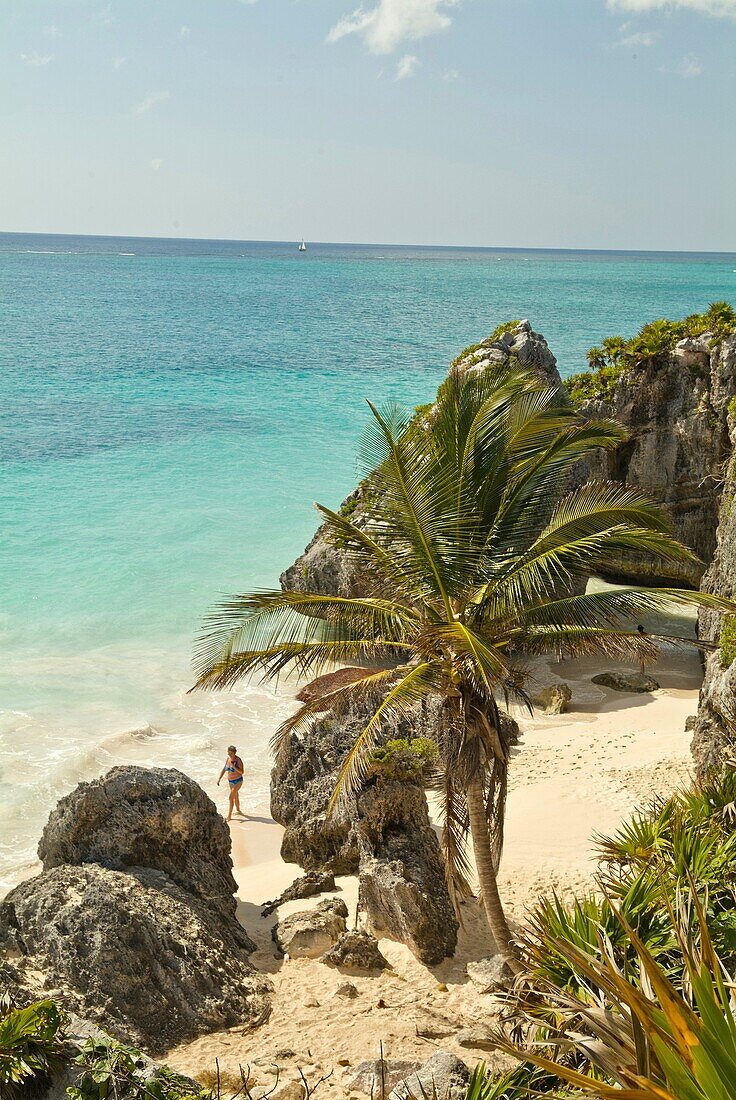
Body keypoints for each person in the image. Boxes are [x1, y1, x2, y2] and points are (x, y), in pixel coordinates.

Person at [217, 745, 245, 821]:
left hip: (238, 781)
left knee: (231, 797)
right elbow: (224, 769)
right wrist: (219, 778)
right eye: (228, 753)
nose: (230, 755)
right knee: (235, 796)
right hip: (230, 781)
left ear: (234, 753)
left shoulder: (238, 760)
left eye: (231, 754)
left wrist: (234, 766)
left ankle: (229, 816)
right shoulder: (228, 759)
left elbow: (242, 772)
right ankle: (238, 810)